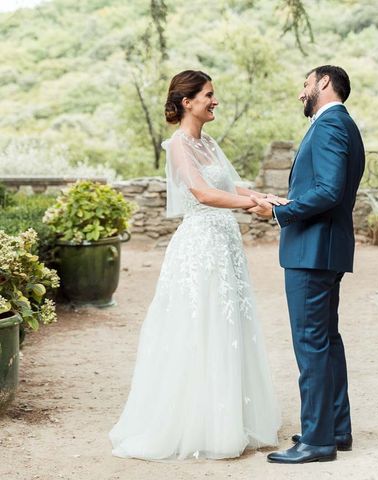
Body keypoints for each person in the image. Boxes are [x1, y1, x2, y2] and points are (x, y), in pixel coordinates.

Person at [109, 70, 283, 461]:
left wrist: (262, 195)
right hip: (200, 245)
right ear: (187, 102)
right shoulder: (178, 146)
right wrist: (252, 206)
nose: (214, 101)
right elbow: (203, 193)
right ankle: (195, 423)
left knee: (229, 326)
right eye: (208, 95)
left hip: (225, 245)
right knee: (199, 327)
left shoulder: (210, 142)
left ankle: (229, 417)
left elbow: (230, 184)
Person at [249, 65, 365, 464]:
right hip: (325, 248)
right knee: (327, 340)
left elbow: (330, 190)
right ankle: (336, 428)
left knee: (311, 344)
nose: (302, 92)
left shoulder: (331, 125)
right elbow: (325, 187)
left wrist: (284, 212)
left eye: (305, 83)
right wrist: (290, 202)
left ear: (325, 83)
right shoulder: (341, 125)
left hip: (312, 251)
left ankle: (317, 441)